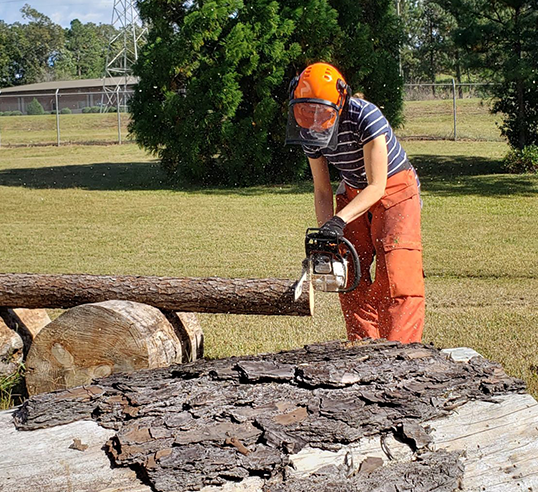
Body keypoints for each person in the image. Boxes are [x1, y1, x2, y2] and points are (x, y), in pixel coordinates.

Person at [286, 62, 424, 344]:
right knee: (346, 270)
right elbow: (323, 190)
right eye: (305, 111)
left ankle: (401, 354)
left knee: (398, 276)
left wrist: (339, 220)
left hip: (394, 188)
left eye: (321, 112)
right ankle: (361, 347)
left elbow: (377, 186)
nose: (313, 120)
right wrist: (327, 232)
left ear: (339, 102)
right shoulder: (310, 130)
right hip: (352, 189)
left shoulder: (366, 117)